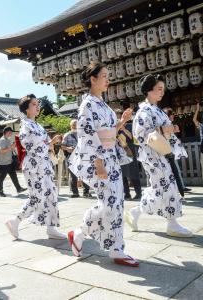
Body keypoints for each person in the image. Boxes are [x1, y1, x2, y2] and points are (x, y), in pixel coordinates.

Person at [67, 62, 138, 267]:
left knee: (116, 202)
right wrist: (98, 164)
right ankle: (84, 235)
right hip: (97, 160)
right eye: (104, 76)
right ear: (93, 79)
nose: (108, 79)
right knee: (109, 203)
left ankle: (112, 247)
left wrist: (122, 121)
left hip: (110, 158)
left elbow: (110, 131)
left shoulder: (103, 104)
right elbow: (88, 135)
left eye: (108, 76)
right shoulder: (87, 104)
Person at [126, 74, 192, 239]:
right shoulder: (143, 111)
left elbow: (160, 130)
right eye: (159, 89)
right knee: (168, 187)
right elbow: (141, 135)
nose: (162, 92)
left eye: (163, 89)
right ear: (149, 90)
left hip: (162, 153)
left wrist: (169, 129)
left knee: (160, 188)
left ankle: (135, 213)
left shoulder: (156, 110)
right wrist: (166, 130)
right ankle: (172, 224)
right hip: (153, 156)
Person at [5, 94, 65, 240]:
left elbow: (42, 144)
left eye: (38, 104)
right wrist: (47, 144)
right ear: (26, 109)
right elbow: (30, 146)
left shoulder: (37, 125)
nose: (37, 106)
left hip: (44, 164)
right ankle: (15, 221)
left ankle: (51, 227)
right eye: (34, 104)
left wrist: (51, 142)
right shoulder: (25, 125)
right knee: (37, 197)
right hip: (33, 166)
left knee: (51, 193)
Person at [115, 109, 143, 200]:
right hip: (120, 152)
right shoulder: (114, 128)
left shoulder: (131, 125)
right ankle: (126, 194)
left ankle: (138, 193)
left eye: (119, 116)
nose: (118, 118)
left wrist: (123, 129)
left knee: (133, 172)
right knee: (122, 174)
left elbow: (133, 138)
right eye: (116, 117)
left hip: (130, 151)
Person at [61, 119, 91, 198]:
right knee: (73, 175)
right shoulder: (67, 135)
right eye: (74, 124)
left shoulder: (83, 134)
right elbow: (62, 146)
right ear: (71, 126)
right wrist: (68, 148)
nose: (75, 126)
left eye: (77, 124)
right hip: (71, 157)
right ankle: (75, 193)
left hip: (82, 157)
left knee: (84, 174)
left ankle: (86, 192)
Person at [163, 107, 191, 193]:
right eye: (171, 115)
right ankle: (180, 187)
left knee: (175, 169)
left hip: (170, 148)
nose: (173, 116)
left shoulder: (168, 123)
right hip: (167, 149)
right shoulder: (165, 123)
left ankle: (180, 186)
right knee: (173, 169)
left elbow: (176, 131)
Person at [0, 127, 27, 197]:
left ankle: (18, 188)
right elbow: (2, 151)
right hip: (3, 162)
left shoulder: (8, 139)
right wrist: (11, 147)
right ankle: (0, 191)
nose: (11, 134)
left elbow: (10, 149)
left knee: (14, 175)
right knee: (2, 177)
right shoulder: (2, 140)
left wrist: (14, 145)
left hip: (9, 161)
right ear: (7, 132)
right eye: (10, 132)